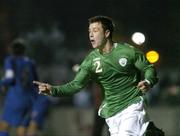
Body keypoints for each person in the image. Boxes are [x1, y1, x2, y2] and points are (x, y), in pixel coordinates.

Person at [33, 15, 164, 136]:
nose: (90, 35)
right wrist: (53, 90)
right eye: (89, 31)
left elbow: (148, 68)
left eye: (95, 30)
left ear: (107, 33)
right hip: (111, 113)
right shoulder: (90, 60)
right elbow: (76, 85)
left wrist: (148, 81)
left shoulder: (128, 51)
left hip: (132, 106)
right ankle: (147, 132)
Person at [0, 39, 39, 136]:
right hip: (28, 100)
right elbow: (36, 82)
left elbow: (10, 78)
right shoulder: (30, 62)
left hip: (14, 98)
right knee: (22, 127)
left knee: (4, 126)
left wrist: (2, 83)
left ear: (12, 50)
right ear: (24, 50)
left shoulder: (10, 60)